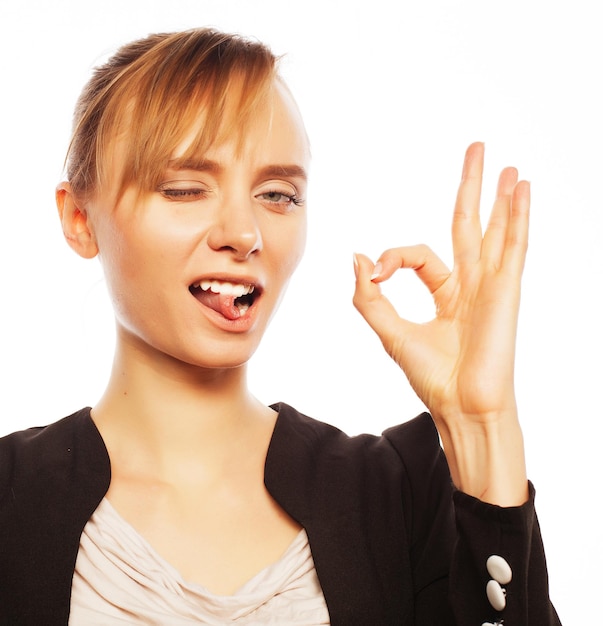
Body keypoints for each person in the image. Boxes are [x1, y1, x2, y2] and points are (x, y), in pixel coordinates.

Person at [0, 28, 560, 625]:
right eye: (186, 187)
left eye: (278, 195)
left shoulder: (393, 495)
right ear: (79, 218)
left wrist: (484, 427)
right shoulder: (12, 503)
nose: (244, 233)